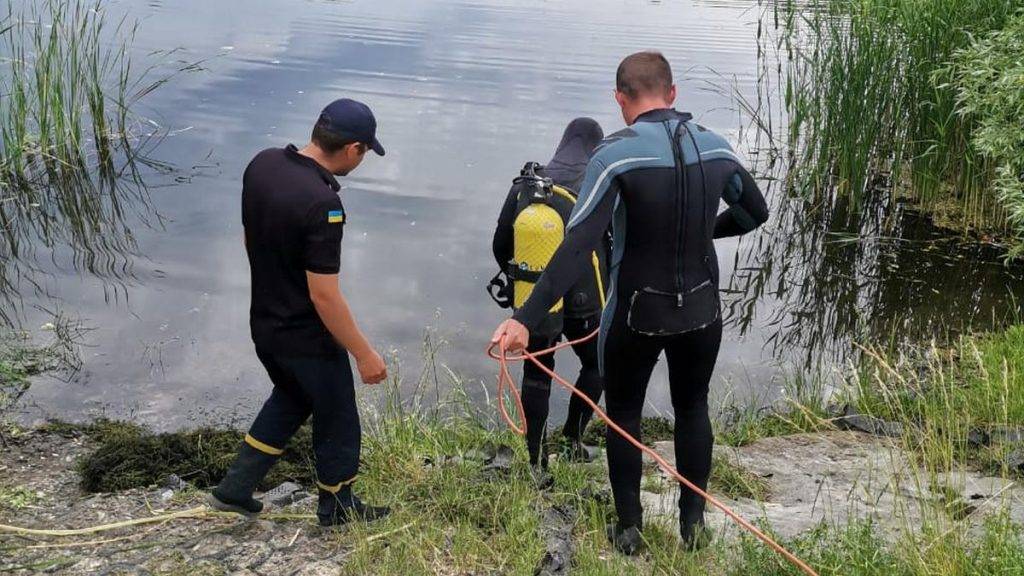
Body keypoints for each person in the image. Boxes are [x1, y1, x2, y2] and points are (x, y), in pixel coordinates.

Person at [490, 52, 769, 554]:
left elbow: (576, 248)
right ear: (673, 93)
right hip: (703, 310)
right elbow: (754, 213)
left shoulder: (614, 156)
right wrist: (703, 231)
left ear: (621, 99)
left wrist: (524, 319)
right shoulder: (717, 146)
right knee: (692, 408)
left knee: (624, 412)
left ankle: (630, 528)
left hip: (637, 312)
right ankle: (693, 526)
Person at [208, 98, 391, 527]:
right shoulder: (323, 205)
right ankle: (338, 507)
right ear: (354, 149)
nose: (362, 160)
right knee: (338, 413)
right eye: (365, 152)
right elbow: (324, 296)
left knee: (292, 397)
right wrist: (364, 354)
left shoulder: (263, 164)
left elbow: (249, 239)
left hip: (265, 325)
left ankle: (234, 489)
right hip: (305, 336)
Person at [490, 118, 609, 474]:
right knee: (596, 364)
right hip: (585, 300)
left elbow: (500, 246)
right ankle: (573, 439)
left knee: (537, 375)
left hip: (535, 300)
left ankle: (537, 462)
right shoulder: (598, 181)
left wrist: (527, 287)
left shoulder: (528, 184)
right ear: (595, 147)